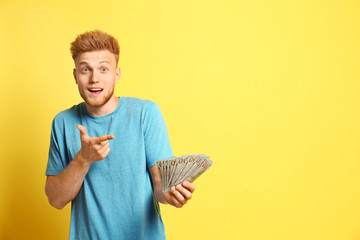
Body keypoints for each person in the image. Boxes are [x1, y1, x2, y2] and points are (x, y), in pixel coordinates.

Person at [45, 30, 195, 239]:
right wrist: (83, 159)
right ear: (75, 76)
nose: (94, 78)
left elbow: (160, 183)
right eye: (85, 70)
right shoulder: (63, 122)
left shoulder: (145, 113)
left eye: (103, 69)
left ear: (116, 74)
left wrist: (172, 194)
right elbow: (55, 199)